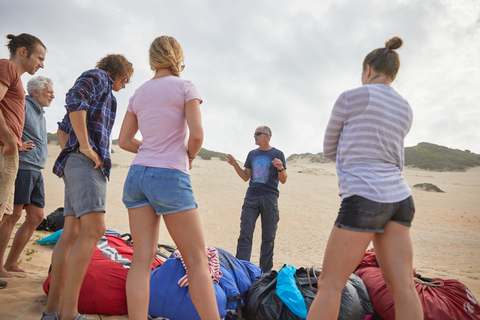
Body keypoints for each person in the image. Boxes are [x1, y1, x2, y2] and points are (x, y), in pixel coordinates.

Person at [306, 37, 423, 320]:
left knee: (330, 284)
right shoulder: (405, 108)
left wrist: (352, 156)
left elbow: (328, 148)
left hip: (364, 196)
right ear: (393, 74)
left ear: (368, 70)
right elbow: (397, 157)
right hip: (400, 197)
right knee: (404, 286)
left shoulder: (351, 97)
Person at [118, 35, 220, 320]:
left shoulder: (138, 92)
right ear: (178, 58)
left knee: (141, 259)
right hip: (170, 176)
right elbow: (197, 135)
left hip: (137, 175)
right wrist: (188, 155)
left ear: (153, 60)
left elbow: (124, 140)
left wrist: (150, 149)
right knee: (196, 260)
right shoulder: (185, 86)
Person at [41, 54, 133, 320]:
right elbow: (74, 102)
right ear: (117, 72)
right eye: (126, 79)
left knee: (72, 232)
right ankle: (69, 314)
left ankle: (52, 312)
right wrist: (83, 147)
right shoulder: (99, 77)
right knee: (95, 229)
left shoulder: (108, 94)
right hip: (85, 163)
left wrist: (71, 150)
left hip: (77, 162)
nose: (125, 85)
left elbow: (61, 128)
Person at [0, 33, 46, 288]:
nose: (41, 63)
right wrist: (9, 139)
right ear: (23, 52)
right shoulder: (7, 67)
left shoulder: (14, 76)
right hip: (4, 151)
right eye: (40, 57)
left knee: (6, 211)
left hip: (10, 152)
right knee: (5, 212)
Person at [0, 76, 54, 278]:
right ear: (36, 92)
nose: (52, 95)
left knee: (36, 217)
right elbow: (5, 121)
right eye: (49, 91)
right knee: (12, 216)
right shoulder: (23, 104)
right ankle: (0, 268)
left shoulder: (41, 113)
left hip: (36, 169)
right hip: (23, 167)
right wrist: (15, 143)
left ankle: (11, 263)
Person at [226, 126, 287, 272]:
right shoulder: (252, 154)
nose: (254, 136)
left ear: (267, 136)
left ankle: (265, 274)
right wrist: (235, 165)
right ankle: (241, 270)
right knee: (245, 233)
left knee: (268, 238)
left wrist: (280, 168)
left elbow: (283, 179)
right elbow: (245, 177)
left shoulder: (278, 153)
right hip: (251, 197)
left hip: (269, 198)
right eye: (254, 134)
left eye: (257, 134)